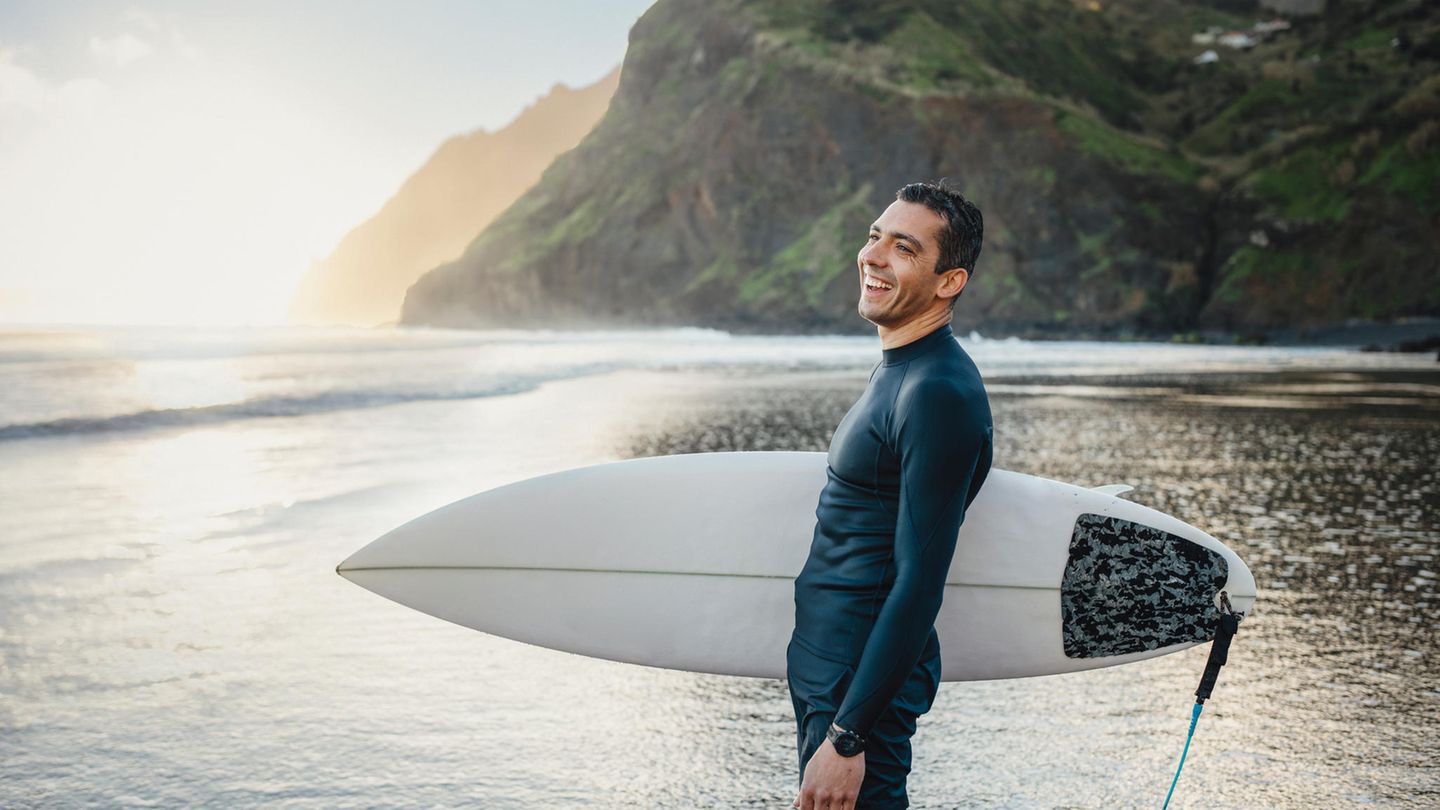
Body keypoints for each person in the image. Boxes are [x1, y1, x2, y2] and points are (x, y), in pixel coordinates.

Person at [789, 181, 993, 810]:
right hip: (838, 676)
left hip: (859, 691)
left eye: (903, 247)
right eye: (875, 235)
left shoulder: (936, 393)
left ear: (948, 281)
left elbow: (919, 582)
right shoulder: (901, 369)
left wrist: (849, 737)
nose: (872, 256)